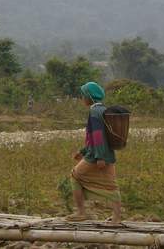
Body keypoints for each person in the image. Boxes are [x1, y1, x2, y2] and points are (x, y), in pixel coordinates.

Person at [66, 82, 122, 224]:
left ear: (89, 97)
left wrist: (99, 157)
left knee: (75, 176)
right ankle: (116, 218)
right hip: (108, 154)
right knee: (111, 185)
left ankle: (81, 212)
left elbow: (97, 136)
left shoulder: (94, 112)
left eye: (83, 95)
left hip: (98, 155)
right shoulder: (103, 110)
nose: (82, 98)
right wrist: (82, 151)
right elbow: (97, 137)